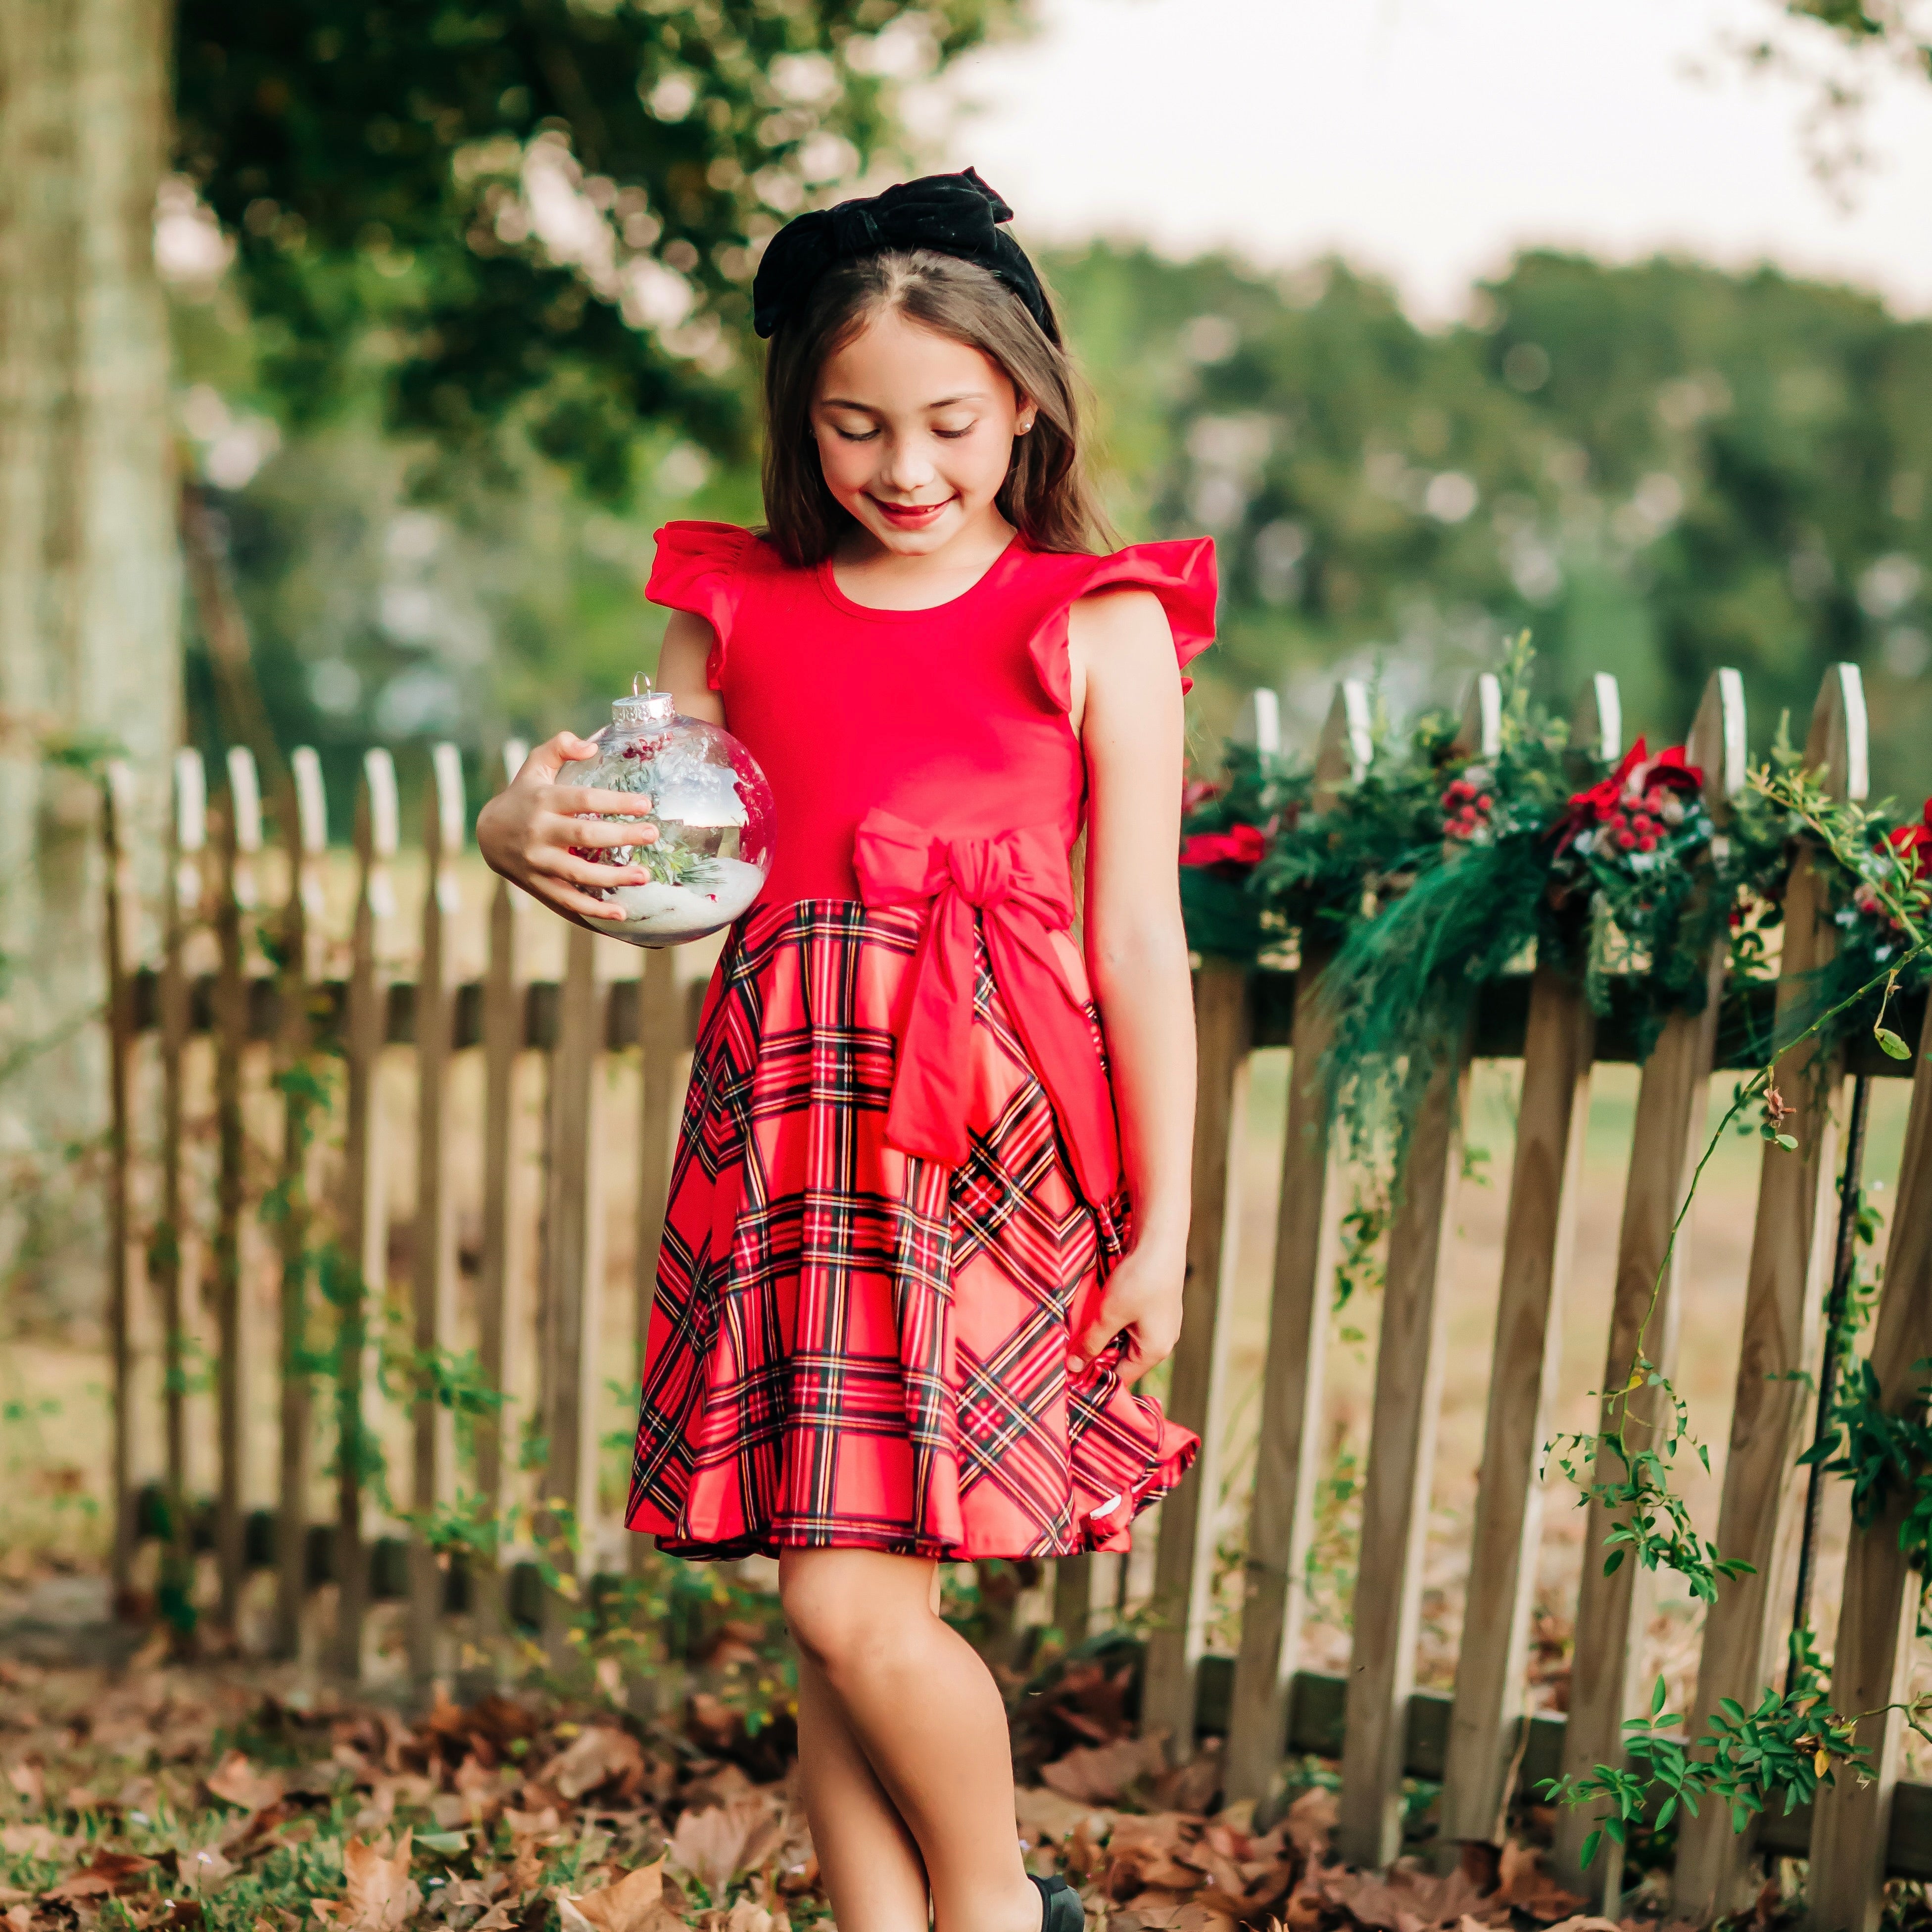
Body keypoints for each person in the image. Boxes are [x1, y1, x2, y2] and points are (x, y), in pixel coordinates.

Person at [478, 168, 1213, 1932]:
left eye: (950, 422)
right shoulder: (735, 611)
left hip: (996, 1142)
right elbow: (657, 870)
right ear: (800, 421)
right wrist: (514, 836)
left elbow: (1136, 940)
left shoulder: (1095, 619)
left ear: (1024, 402)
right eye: (856, 425)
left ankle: (998, 1906)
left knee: (845, 1600)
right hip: (788, 1127)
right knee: (837, 1601)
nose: (905, 467)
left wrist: (1167, 1226)